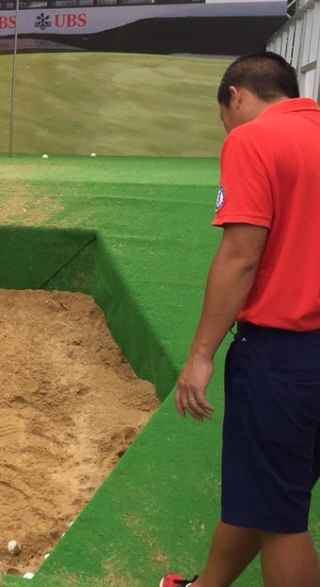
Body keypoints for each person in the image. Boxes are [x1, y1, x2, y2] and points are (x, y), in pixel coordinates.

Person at [163, 52, 320, 587]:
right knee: (271, 490)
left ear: (237, 95)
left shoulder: (252, 140)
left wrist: (202, 354)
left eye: (223, 115)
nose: (225, 128)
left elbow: (240, 257)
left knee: (280, 518)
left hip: (286, 355)